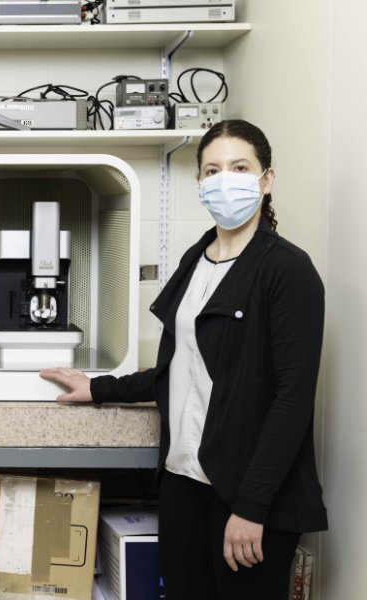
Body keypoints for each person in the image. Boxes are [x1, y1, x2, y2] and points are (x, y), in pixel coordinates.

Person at [40, 119, 327, 600]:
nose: (224, 180)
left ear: (266, 179)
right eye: (212, 170)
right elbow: (183, 367)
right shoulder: (196, 263)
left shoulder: (287, 270)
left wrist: (252, 507)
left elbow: (292, 400)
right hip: (184, 485)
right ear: (199, 184)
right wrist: (100, 388)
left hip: (246, 495)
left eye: (240, 167)